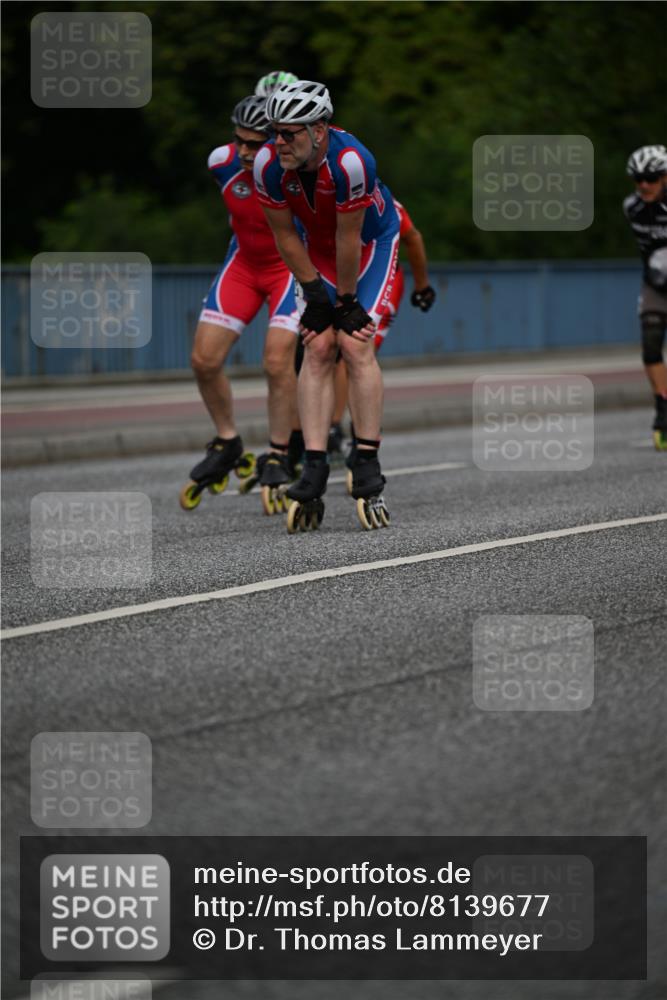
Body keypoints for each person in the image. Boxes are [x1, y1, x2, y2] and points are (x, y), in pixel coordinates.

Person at [254, 79, 400, 531]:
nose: (278, 142)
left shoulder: (353, 162)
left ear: (319, 130)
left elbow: (349, 237)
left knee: (355, 344)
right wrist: (315, 293)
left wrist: (347, 302)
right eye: (274, 132)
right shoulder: (268, 165)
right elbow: (283, 235)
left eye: (289, 133)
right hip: (315, 250)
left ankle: (367, 459)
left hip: (369, 246)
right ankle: (314, 462)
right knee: (316, 347)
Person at [181, 95, 303, 512]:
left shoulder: (294, 171)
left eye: (256, 144)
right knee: (204, 359)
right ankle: (228, 441)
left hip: (289, 268)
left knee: (274, 362)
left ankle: (280, 452)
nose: (246, 152)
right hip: (245, 265)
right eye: (240, 142)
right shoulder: (221, 161)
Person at [328, 197, 437, 466]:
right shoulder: (323, 197)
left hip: (379, 279)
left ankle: (358, 434)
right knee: (326, 353)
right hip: (342, 279)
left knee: (355, 351)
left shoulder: (387, 203)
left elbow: (412, 238)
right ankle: (328, 430)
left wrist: (422, 286)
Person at [623, 144, 667, 450]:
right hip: (656, 282)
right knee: (650, 340)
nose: (643, 185)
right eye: (638, 178)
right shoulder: (632, 208)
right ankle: (663, 408)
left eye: (650, 178)